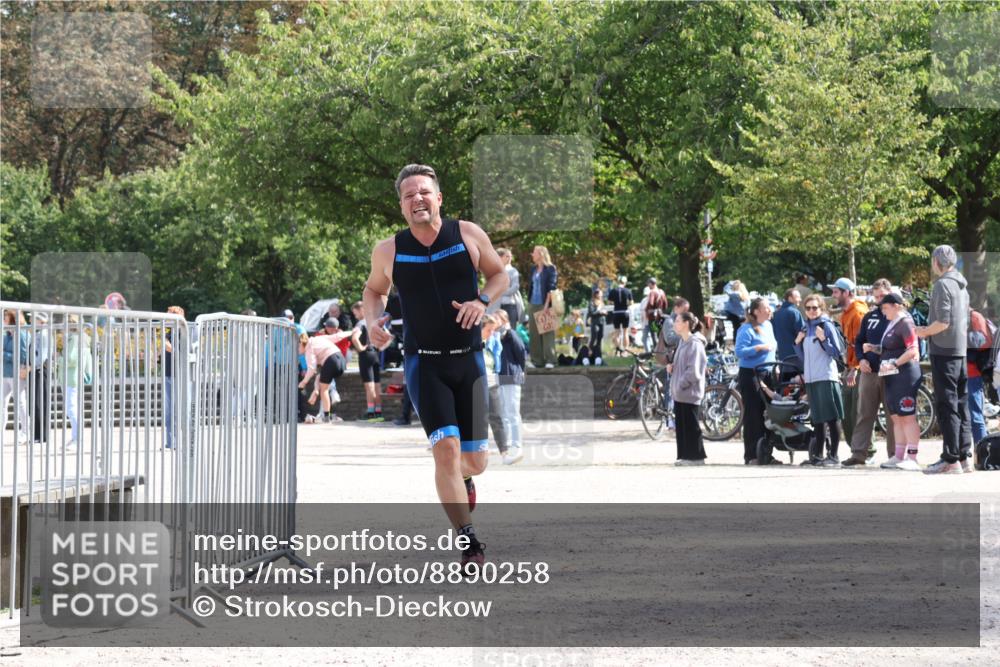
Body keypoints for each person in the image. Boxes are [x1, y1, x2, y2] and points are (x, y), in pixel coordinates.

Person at [362, 163, 509, 573]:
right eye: (409, 195)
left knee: (474, 460)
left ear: (438, 197)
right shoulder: (388, 249)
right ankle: (468, 540)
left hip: (469, 362)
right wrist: (373, 322)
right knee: (444, 451)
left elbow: (499, 275)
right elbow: (374, 290)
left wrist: (482, 301)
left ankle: (463, 481)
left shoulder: (467, 234)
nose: (417, 200)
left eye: (424, 192)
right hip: (423, 365)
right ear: (401, 206)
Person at [916, 245, 973, 474]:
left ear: (936, 262)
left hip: (943, 352)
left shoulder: (942, 284)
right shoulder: (963, 286)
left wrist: (924, 332)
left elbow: (943, 322)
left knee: (947, 405)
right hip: (960, 351)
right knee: (961, 404)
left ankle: (950, 459)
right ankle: (964, 456)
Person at [866, 293, 924, 471]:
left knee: (907, 416)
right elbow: (890, 348)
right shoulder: (893, 323)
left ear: (896, 306)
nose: (883, 312)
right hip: (891, 375)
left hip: (905, 374)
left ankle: (912, 458)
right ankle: (898, 456)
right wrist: (873, 348)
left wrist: (894, 363)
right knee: (896, 417)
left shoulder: (906, 322)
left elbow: (912, 349)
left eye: (885, 308)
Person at [848, 278, 896, 466]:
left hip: (892, 371)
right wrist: (861, 359)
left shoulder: (898, 317)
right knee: (864, 413)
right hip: (869, 371)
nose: (879, 300)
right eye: (876, 297)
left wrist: (876, 349)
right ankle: (859, 453)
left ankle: (894, 455)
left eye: (882, 296)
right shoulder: (869, 316)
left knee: (893, 416)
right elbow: (859, 341)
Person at [794, 295, 845, 467]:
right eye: (808, 308)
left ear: (821, 308)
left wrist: (824, 339)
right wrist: (797, 343)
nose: (811, 311)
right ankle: (817, 456)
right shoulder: (804, 328)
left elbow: (836, 352)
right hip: (811, 379)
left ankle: (834, 456)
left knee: (832, 417)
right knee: (817, 419)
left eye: (815, 308)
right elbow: (802, 358)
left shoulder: (826, 325)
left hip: (825, 377)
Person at [734, 297, 776, 465]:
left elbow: (773, 348)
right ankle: (752, 455)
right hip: (751, 374)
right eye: (766, 307)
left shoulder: (769, 326)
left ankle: (766, 453)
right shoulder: (746, 329)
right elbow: (740, 351)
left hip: (768, 372)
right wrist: (759, 348)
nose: (770, 309)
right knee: (753, 414)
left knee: (769, 414)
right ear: (757, 311)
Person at [832, 278, 868, 450]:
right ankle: (856, 449)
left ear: (846, 293)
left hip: (859, 369)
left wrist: (855, 367)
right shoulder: (846, 313)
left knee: (858, 413)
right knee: (846, 412)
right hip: (850, 368)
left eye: (836, 292)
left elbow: (863, 345)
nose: (833, 295)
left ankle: (866, 450)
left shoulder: (858, 313)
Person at [669, 312, 708, 465]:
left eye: (677, 320)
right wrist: (672, 367)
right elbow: (682, 364)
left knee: (691, 425)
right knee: (682, 426)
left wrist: (681, 384)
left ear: (686, 323)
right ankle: (686, 456)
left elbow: (694, 370)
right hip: (680, 392)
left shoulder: (695, 343)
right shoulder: (682, 342)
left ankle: (697, 457)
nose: (674, 323)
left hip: (690, 391)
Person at [300, 326, 354, 423]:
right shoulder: (319, 338)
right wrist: (351, 332)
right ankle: (331, 393)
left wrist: (303, 382)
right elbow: (337, 336)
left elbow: (311, 369)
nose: (297, 351)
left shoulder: (309, 348)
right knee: (322, 381)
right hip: (341, 360)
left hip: (330, 361)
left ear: (301, 344)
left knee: (324, 390)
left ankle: (326, 417)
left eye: (297, 347)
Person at [494, 309, 525, 465]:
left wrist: (521, 371)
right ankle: (506, 443)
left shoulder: (511, 334)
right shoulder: (495, 336)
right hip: (500, 377)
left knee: (512, 412)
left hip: (512, 376)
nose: (495, 321)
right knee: (503, 413)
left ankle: (516, 443)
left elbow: (521, 353)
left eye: (497, 319)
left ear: (504, 320)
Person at [60, 314, 91, 449]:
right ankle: (75, 437)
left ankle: (77, 439)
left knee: (72, 409)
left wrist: (58, 359)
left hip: (71, 376)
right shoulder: (82, 338)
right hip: (73, 376)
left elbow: (71, 359)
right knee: (73, 409)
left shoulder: (75, 339)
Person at [480, 314, 508, 458]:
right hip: (475, 384)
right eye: (489, 330)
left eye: (493, 330)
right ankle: (479, 448)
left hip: (491, 381)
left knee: (497, 416)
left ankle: (504, 450)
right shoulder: (472, 346)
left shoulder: (493, 343)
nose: (491, 333)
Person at [1, 309, 31, 445]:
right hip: (5, 373)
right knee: (2, 404)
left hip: (17, 373)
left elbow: (22, 356)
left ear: (13, 319)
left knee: (20, 403)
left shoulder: (22, 334)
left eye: (6, 318)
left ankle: (25, 432)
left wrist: (4, 354)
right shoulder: (6, 335)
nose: (3, 320)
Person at [350, 301, 384, 422]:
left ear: (361, 310)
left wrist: (360, 348)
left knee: (369, 387)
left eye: (355, 313)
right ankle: (379, 413)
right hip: (375, 354)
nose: (355, 316)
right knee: (377, 386)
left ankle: (371, 414)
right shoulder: (374, 321)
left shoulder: (360, 323)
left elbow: (354, 338)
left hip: (366, 355)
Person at [527, 246, 558, 368]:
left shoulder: (550, 269)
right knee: (534, 333)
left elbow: (552, 288)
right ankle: (537, 361)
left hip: (545, 304)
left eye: (534, 252)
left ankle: (551, 360)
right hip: (533, 303)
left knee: (547, 332)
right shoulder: (533, 269)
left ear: (540, 254)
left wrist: (546, 306)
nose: (532, 254)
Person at [966, 306, 994, 446]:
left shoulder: (974, 317)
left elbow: (983, 341)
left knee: (975, 414)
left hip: (972, 372)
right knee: (971, 414)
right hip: (965, 371)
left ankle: (981, 450)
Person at [31, 312, 51, 444]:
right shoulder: (39, 334)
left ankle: (41, 435)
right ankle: (38, 434)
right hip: (36, 369)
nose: (32, 320)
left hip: (40, 370)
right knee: (36, 402)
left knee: (40, 402)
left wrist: (31, 367)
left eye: (35, 319)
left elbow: (42, 356)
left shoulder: (44, 334)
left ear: (41, 321)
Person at [772, 288, 805, 365]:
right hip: (796, 354)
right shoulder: (794, 312)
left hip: (782, 354)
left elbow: (775, 334)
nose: (800, 299)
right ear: (790, 298)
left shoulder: (776, 313)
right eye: (798, 297)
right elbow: (802, 333)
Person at [494, 248, 524, 326]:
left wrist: (501, 292)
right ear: (500, 257)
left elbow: (515, 287)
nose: (509, 258)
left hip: (510, 305)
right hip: (496, 305)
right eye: (507, 256)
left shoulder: (513, 271)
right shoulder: (494, 270)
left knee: (510, 328)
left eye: (510, 256)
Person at [607, 276, 633, 355]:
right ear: (624, 282)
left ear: (618, 282)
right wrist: (626, 304)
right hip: (625, 312)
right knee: (625, 332)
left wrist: (616, 303)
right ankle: (625, 351)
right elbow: (631, 303)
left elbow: (609, 302)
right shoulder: (628, 291)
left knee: (617, 332)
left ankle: (618, 349)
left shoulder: (613, 291)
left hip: (616, 313)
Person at [643, 278, 667, 354]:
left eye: (648, 284)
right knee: (660, 334)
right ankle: (663, 350)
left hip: (653, 318)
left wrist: (648, 310)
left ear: (651, 284)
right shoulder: (661, 292)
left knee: (654, 335)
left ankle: (658, 352)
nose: (648, 285)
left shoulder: (652, 292)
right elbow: (665, 304)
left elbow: (651, 303)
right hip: (661, 316)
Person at [586, 288, 607, 362]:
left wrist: (604, 312)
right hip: (595, 322)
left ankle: (598, 353)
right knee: (594, 337)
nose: (601, 295)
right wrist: (599, 312)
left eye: (601, 294)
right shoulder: (591, 302)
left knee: (600, 337)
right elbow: (592, 313)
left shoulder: (602, 302)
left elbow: (604, 311)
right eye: (600, 294)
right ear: (596, 294)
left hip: (601, 322)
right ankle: (589, 351)